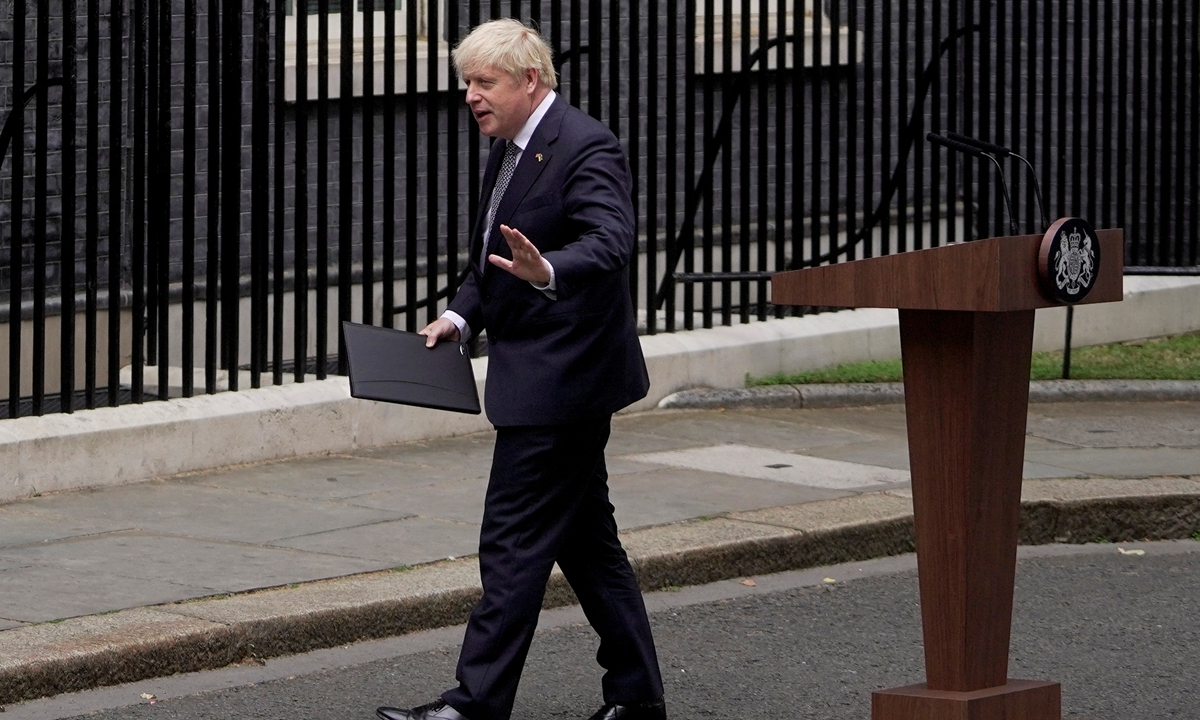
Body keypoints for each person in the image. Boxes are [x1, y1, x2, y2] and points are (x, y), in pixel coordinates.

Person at [375, 18, 665, 720]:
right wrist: (460, 317)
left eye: (483, 82)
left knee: (510, 544)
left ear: (528, 80)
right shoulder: (510, 149)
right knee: (590, 548)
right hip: (545, 376)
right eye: (466, 83)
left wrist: (549, 270)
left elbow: (609, 241)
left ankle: (474, 705)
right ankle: (637, 698)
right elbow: (490, 259)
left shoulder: (583, 144)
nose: (470, 96)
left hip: (563, 383)